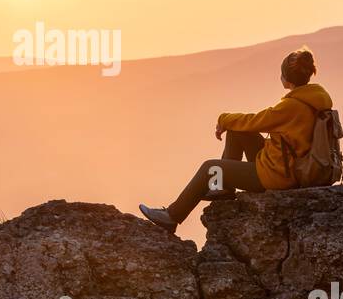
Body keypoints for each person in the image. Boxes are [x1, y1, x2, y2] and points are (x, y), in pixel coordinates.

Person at [139, 46, 332, 233]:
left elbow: (255, 121)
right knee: (237, 131)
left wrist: (223, 119)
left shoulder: (292, 106)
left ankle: (172, 216)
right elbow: (250, 126)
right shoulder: (314, 99)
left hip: (278, 176)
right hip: (287, 164)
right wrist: (230, 124)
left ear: (286, 77)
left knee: (211, 168)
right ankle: (223, 188)